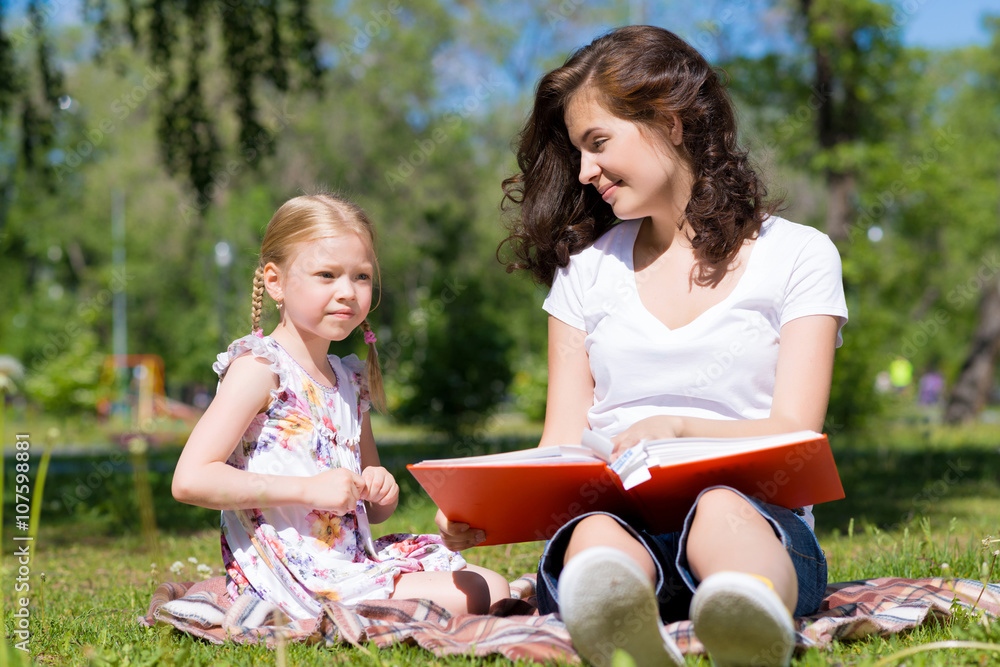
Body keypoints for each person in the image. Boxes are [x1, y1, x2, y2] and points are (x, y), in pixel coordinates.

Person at [436, 26, 847, 667]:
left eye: (598, 143)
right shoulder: (585, 272)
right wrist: (484, 509)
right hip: (618, 518)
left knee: (719, 511)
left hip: (757, 520)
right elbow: (560, 445)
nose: (584, 171)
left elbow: (796, 431)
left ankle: (747, 612)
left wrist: (679, 428)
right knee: (598, 533)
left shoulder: (798, 255)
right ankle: (617, 625)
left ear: (671, 121)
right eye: (577, 151)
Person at [173, 193, 510, 621]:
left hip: (348, 557)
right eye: (327, 275)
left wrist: (379, 487)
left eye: (362, 276)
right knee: (475, 594)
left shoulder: (347, 380)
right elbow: (190, 479)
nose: (347, 292)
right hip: (292, 572)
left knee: (492, 585)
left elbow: (372, 508)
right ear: (275, 282)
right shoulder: (260, 368)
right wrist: (307, 490)